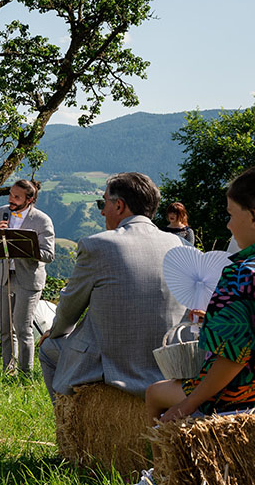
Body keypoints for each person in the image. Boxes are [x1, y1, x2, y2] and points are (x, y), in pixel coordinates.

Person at [39, 172, 187, 401]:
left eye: (103, 203)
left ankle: (66, 428)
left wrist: (55, 332)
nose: (100, 211)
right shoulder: (184, 246)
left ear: (119, 206)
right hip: (170, 367)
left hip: (111, 366)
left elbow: (69, 309)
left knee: (48, 349)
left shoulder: (97, 245)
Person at [146, 166, 255, 422]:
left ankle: (160, 462)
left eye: (230, 214)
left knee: (154, 393)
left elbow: (234, 355)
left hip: (240, 392)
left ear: (252, 216)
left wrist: (188, 404)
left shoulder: (241, 275)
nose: (228, 224)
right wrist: (214, 321)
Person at [0, 179, 55, 377]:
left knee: (22, 328)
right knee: (5, 329)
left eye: (17, 197)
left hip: (28, 279)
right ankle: (7, 372)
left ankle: (25, 374)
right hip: (6, 276)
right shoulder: (2, 212)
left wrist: (26, 247)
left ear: (29, 199)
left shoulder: (42, 220)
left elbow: (49, 255)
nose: (11, 199)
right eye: (10, 194)